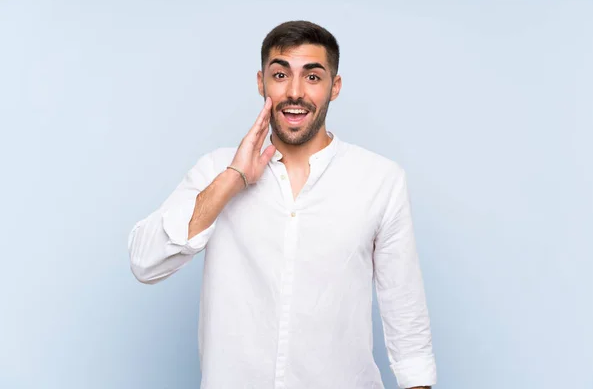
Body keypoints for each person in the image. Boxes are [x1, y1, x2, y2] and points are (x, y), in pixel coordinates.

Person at [128, 20, 437, 389]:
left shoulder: (381, 180)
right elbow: (145, 262)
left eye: (312, 77)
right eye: (280, 74)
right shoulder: (215, 169)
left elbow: (405, 313)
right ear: (261, 83)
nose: (295, 92)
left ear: (334, 87)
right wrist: (234, 178)